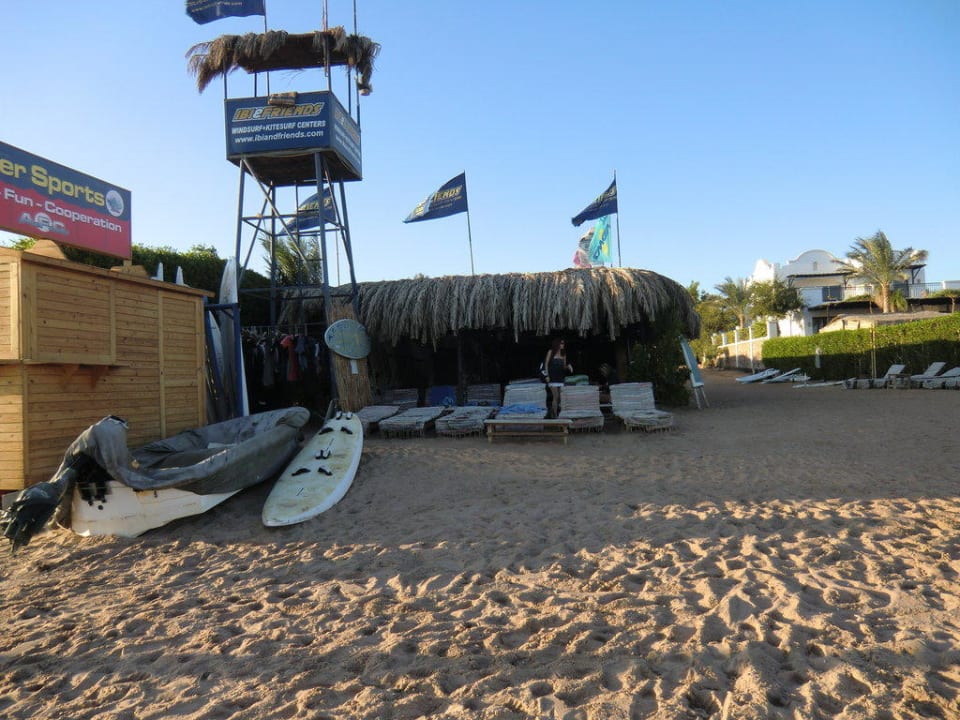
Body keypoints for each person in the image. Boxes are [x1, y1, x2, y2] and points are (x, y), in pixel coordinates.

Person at [544, 338, 572, 418]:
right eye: (561, 343)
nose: (563, 345)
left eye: (563, 343)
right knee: (555, 396)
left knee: (559, 397)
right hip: (552, 378)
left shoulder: (563, 354)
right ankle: (555, 415)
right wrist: (546, 375)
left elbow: (563, 366)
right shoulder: (550, 352)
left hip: (560, 377)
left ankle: (554, 412)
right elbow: (546, 364)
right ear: (557, 344)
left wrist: (568, 366)